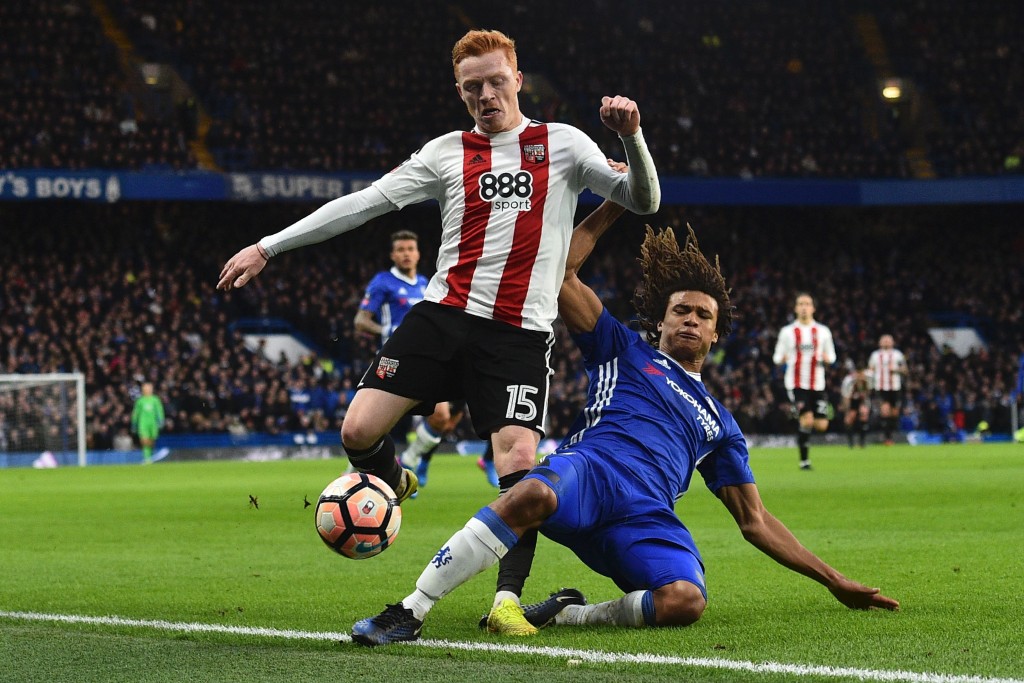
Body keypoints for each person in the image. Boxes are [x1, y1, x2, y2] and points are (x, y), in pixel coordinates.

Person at [217, 29, 660, 634]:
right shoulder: (446, 152)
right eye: (472, 86)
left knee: (519, 466)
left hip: (517, 334)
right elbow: (364, 203)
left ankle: (506, 602)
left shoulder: (563, 143)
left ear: (517, 80)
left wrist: (631, 136)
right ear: (459, 90)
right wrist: (268, 246)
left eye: (496, 81)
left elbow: (643, 198)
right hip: (442, 317)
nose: (486, 94)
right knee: (357, 430)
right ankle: (396, 479)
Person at [349, 204, 899, 646]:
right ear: (660, 320)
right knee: (531, 489)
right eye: (681, 310)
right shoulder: (623, 348)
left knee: (686, 600)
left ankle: (568, 615)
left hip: (644, 516)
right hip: (590, 475)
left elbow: (754, 521)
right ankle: (411, 610)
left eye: (703, 316)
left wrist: (834, 581)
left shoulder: (721, 423)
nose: (691, 320)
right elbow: (561, 272)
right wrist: (617, 202)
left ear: (716, 334)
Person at [353, 229, 465, 478]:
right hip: (392, 360)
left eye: (410, 249)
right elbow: (360, 320)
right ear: (393, 255)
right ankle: (352, 473)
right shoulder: (383, 281)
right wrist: (387, 330)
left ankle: (409, 460)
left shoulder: (426, 284)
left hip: (425, 360)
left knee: (441, 417)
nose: (406, 254)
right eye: (401, 250)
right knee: (373, 425)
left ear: (418, 254)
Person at [772, 293, 837, 469]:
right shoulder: (787, 332)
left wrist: (827, 358)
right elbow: (776, 357)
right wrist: (782, 358)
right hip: (796, 383)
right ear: (795, 308)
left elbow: (832, 356)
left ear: (813, 308)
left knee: (822, 425)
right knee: (807, 420)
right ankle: (804, 461)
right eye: (800, 304)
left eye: (807, 304)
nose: (804, 307)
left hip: (818, 384)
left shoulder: (823, 331)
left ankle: (801, 421)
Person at [867, 334, 908, 446]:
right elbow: (870, 370)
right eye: (883, 340)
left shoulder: (898, 354)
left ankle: (890, 434)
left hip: (895, 387)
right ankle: (887, 437)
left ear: (892, 342)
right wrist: (869, 384)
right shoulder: (875, 355)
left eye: (888, 340)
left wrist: (895, 369)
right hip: (880, 387)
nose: (886, 342)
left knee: (894, 413)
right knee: (885, 411)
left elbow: (905, 370)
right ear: (879, 342)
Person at [131, 382, 164, 464]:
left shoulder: (155, 400)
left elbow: (159, 410)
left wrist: (161, 420)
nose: (148, 390)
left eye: (149, 388)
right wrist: (134, 423)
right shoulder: (140, 401)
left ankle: (150, 456)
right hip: (143, 423)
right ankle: (147, 458)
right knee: (144, 440)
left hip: (153, 424)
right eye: (146, 388)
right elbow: (136, 413)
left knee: (151, 441)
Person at [840, 366, 870, 448]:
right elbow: (846, 397)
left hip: (862, 401)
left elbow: (868, 393)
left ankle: (862, 442)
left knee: (864, 414)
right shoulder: (848, 381)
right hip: (851, 401)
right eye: (859, 374)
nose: (861, 376)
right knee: (849, 419)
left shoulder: (867, 380)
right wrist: (847, 410)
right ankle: (851, 443)